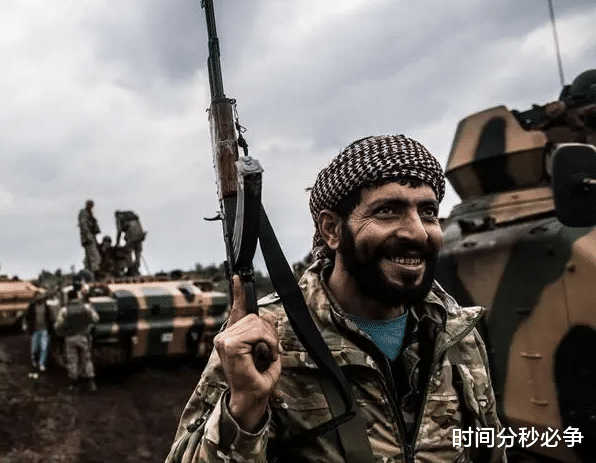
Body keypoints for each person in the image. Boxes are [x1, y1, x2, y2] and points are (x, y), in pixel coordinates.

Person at [166, 134, 505, 462]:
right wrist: (243, 407)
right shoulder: (264, 339)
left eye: (428, 212)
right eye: (388, 211)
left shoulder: (455, 332)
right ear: (331, 229)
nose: (418, 232)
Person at [54, 284, 100, 392]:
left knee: (72, 361)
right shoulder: (86, 307)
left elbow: (58, 326)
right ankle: (91, 383)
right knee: (86, 359)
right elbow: (96, 319)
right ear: (77, 296)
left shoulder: (64, 310)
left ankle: (73, 384)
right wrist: (87, 325)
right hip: (84, 336)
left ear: (68, 298)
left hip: (70, 338)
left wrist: (63, 332)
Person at [25, 292, 53, 375]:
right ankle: (34, 361)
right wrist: (28, 327)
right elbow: (28, 317)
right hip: (35, 330)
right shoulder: (32, 307)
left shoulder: (46, 307)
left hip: (44, 329)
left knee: (44, 347)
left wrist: (50, 328)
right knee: (34, 348)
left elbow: (49, 318)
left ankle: (41, 363)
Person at [115, 210, 146, 276]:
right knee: (137, 252)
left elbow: (119, 231)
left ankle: (131, 269)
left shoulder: (119, 218)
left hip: (131, 235)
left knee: (127, 252)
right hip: (139, 234)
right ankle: (136, 267)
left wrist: (117, 243)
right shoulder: (133, 217)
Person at [78, 200, 102, 275]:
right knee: (94, 255)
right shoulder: (84, 213)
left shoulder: (89, 213)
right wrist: (88, 235)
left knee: (89, 255)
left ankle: (88, 270)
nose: (91, 207)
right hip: (88, 237)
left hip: (90, 236)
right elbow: (83, 224)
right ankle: (94, 269)